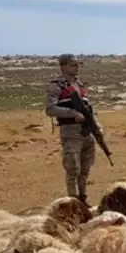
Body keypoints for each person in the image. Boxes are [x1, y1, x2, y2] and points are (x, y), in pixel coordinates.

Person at [44, 53, 98, 205]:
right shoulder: (57, 86)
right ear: (63, 66)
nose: (77, 67)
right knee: (73, 167)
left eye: (77, 64)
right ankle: (74, 201)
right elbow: (50, 109)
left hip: (86, 132)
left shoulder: (80, 86)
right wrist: (72, 113)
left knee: (85, 168)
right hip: (70, 132)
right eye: (73, 64)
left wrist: (96, 128)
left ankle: (83, 197)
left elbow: (89, 109)